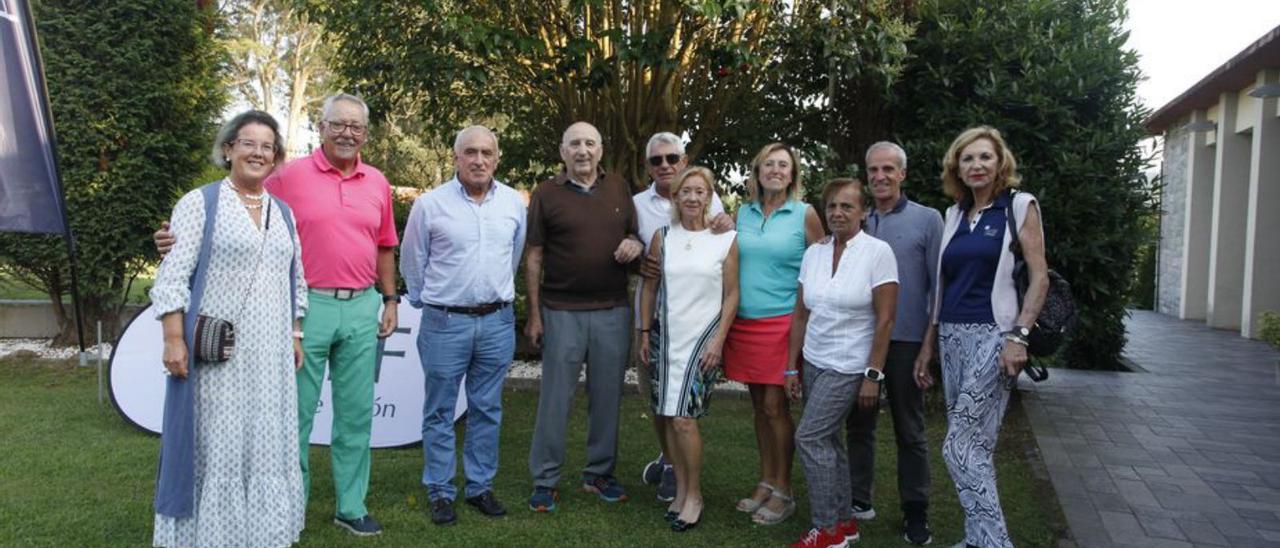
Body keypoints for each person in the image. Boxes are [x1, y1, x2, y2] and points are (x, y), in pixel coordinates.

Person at [154, 93, 399, 536]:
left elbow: (385, 244)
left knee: (355, 415)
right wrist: (172, 242)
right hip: (305, 312)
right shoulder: (288, 176)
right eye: (337, 124)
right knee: (294, 419)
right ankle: (290, 506)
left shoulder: (377, 182)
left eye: (356, 127)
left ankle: (351, 505)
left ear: (365, 133)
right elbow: (212, 225)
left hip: (352, 308)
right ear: (320, 127)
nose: (347, 133)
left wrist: (389, 299)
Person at [151, 110, 307, 547]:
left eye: (267, 147)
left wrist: (295, 334)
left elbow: (296, 277)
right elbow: (172, 276)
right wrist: (173, 338)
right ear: (228, 149)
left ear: (276, 157)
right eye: (248, 143)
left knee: (263, 443)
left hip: (270, 355)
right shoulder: (200, 203)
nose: (258, 153)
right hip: (218, 353)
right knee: (217, 443)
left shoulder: (284, 213)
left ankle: (260, 534)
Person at [920, 126, 1048, 548]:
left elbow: (1040, 278)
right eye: (968, 158)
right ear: (957, 166)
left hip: (995, 336)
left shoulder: (1018, 205)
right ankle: (977, 539)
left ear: (1000, 164)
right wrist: (928, 345)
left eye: (984, 158)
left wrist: (1020, 337)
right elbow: (941, 286)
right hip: (952, 337)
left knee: (957, 445)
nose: (976, 165)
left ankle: (995, 543)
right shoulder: (954, 213)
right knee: (976, 446)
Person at [399, 126, 526, 526]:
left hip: (497, 322)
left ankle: (480, 486)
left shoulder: (512, 203)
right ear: (456, 157)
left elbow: (514, 255)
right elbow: (412, 262)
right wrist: (430, 301)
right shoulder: (430, 204)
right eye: (469, 152)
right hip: (444, 322)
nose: (478, 160)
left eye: (486, 152)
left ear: (497, 158)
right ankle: (439, 489)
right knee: (439, 410)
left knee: (487, 408)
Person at [525, 121, 644, 512]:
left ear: (600, 150)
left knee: (607, 398)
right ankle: (545, 479)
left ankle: (599, 474)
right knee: (555, 399)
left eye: (589, 143)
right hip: (561, 312)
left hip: (612, 310)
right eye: (574, 143)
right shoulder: (546, 193)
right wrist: (535, 314)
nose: (582, 150)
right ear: (562, 151)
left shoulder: (618, 188)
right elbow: (535, 256)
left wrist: (633, 242)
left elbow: (635, 236)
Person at [785, 178, 897, 548]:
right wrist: (791, 366)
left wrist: (872, 375)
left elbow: (885, 320)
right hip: (815, 360)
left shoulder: (878, 252)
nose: (837, 212)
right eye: (831, 205)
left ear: (863, 212)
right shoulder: (814, 252)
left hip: (850, 365)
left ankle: (826, 530)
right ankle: (845, 523)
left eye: (847, 206)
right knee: (829, 441)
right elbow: (801, 314)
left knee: (810, 437)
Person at [843, 142, 942, 545]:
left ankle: (915, 512)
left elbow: (938, 288)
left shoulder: (927, 220)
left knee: (909, 429)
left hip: (905, 341)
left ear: (903, 174)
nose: (880, 176)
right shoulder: (857, 220)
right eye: (873, 170)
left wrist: (927, 347)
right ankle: (858, 499)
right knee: (859, 424)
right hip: (861, 340)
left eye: (888, 169)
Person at [724, 142, 825, 525]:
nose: (776, 171)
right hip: (745, 322)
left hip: (784, 322)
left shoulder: (805, 214)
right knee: (758, 409)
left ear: (793, 173)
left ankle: (785, 489)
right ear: (758, 171)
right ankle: (766, 480)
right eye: (769, 164)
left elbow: (820, 267)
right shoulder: (743, 213)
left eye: (783, 165)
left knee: (774, 407)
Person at [637, 166, 739, 532]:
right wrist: (645, 331)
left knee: (684, 419)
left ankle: (694, 495)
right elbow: (649, 288)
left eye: (700, 191)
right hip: (666, 338)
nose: (693, 198)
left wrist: (719, 339)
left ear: (709, 196)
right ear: (675, 196)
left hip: (703, 340)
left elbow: (732, 294)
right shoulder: (662, 237)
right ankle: (679, 491)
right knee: (666, 416)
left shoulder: (726, 239)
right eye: (686, 191)